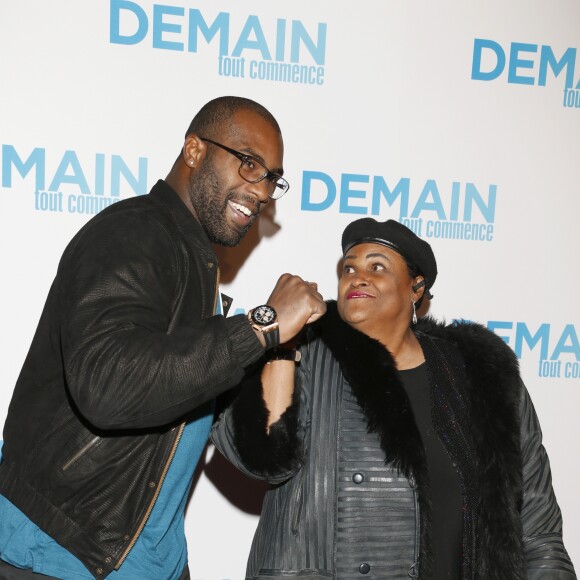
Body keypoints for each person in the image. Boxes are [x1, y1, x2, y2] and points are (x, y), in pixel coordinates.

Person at [0, 96, 326, 580]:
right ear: (194, 149)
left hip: (149, 560)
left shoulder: (199, 268)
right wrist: (261, 323)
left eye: (272, 178)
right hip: (67, 551)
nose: (260, 192)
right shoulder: (133, 233)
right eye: (249, 163)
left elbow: (198, 416)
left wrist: (274, 354)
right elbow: (106, 387)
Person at [212, 217, 577, 579]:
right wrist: (281, 342)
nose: (358, 276)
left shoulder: (483, 376)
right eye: (349, 268)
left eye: (378, 266)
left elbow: (538, 530)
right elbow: (262, 459)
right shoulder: (308, 354)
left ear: (415, 288)